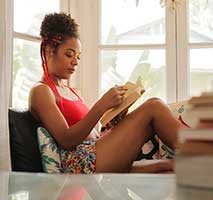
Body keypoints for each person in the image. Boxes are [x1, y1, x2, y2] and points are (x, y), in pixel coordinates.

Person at [29, 12, 184, 174]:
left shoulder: (73, 92)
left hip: (97, 152)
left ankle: (204, 164)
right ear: (48, 51)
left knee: (171, 167)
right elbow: (66, 140)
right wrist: (101, 106)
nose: (75, 61)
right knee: (154, 106)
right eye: (69, 54)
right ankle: (205, 156)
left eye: (78, 57)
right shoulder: (41, 91)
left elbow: (90, 133)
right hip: (81, 162)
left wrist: (111, 124)